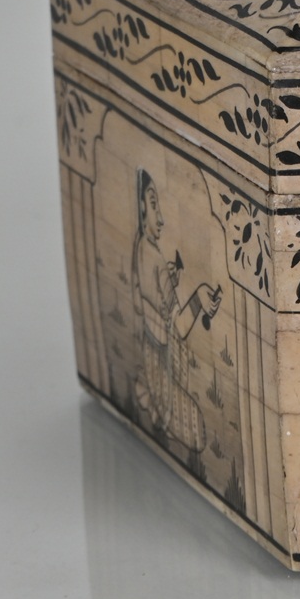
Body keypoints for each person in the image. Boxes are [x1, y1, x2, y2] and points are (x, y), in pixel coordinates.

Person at [130, 169, 222, 455]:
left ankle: (158, 405)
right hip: (162, 371)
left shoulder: (141, 248)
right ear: (142, 207)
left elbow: (143, 303)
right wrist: (199, 298)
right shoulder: (153, 258)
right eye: (153, 204)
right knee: (199, 434)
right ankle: (161, 408)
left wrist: (167, 283)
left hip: (154, 359)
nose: (161, 218)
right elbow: (178, 329)